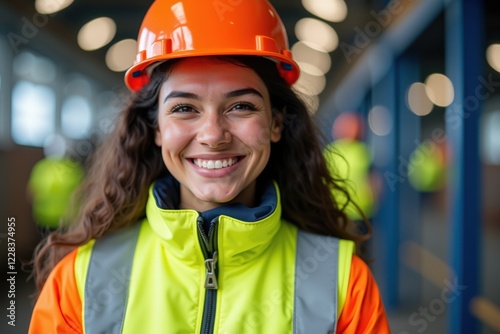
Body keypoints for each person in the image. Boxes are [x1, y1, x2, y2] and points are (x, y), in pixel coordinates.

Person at [29, 1, 390, 333]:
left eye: (241, 107)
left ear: (276, 124)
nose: (213, 135)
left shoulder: (343, 283)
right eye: (185, 108)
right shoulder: (80, 281)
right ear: (156, 128)